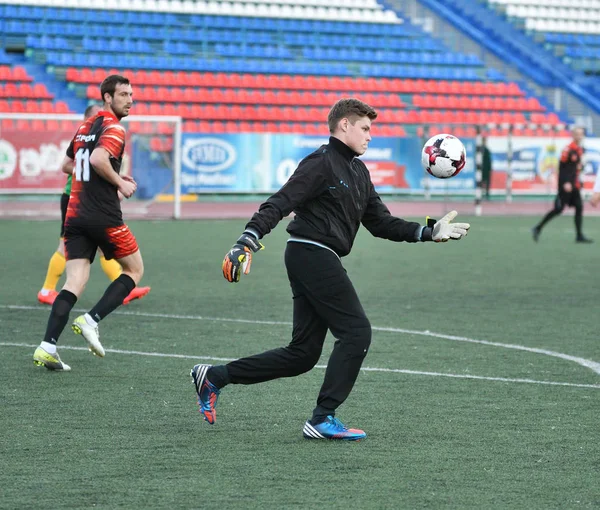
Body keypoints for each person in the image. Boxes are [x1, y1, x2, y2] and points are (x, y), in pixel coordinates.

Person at [190, 98, 471, 441]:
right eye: (365, 128)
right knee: (356, 333)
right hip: (311, 253)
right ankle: (322, 418)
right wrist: (247, 240)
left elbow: (381, 223)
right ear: (344, 126)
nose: (370, 136)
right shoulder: (320, 162)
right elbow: (280, 202)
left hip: (316, 256)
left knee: (302, 355)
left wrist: (427, 232)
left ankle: (215, 377)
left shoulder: (358, 171)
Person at [33, 74, 146, 371]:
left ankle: (47, 346)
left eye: (131, 94)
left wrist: (104, 178)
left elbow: (68, 164)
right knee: (134, 270)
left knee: (74, 282)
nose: (130, 100)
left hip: (75, 215)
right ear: (107, 98)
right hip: (103, 216)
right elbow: (97, 160)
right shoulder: (114, 127)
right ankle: (91, 320)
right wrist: (120, 182)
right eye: (123, 94)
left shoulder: (85, 127)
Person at [37, 104, 151, 307]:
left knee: (101, 245)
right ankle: (46, 289)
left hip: (87, 203)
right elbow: (70, 166)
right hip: (75, 200)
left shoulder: (97, 142)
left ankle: (124, 287)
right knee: (65, 245)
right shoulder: (86, 140)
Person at [532, 127, 592, 243]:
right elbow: (562, 168)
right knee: (558, 209)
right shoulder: (567, 150)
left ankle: (579, 235)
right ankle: (538, 228)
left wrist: (579, 173)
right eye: (577, 134)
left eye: (581, 134)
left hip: (574, 185)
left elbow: (576, 167)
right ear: (573, 135)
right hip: (566, 185)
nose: (579, 136)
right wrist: (565, 183)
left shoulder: (580, 150)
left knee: (579, 207)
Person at [480, 136, 492, 200]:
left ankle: (487, 194)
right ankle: (480, 194)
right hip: (481, 169)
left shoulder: (487, 150)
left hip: (486, 168)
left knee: (487, 182)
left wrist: (490, 168)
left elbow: (489, 160)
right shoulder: (480, 150)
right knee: (481, 182)